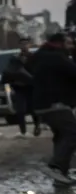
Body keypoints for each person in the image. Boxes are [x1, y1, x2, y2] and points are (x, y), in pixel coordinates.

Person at [26, 33, 76, 185]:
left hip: (41, 105)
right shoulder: (58, 57)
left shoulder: (39, 56)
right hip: (56, 104)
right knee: (72, 133)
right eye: (69, 44)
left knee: (61, 136)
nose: (71, 47)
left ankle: (60, 176)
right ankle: (56, 166)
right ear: (60, 43)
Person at [4, 48, 36, 136]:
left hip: (30, 89)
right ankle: (23, 131)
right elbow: (8, 74)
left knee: (33, 109)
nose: (24, 58)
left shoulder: (32, 62)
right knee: (21, 110)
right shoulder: (15, 62)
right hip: (19, 89)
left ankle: (37, 126)